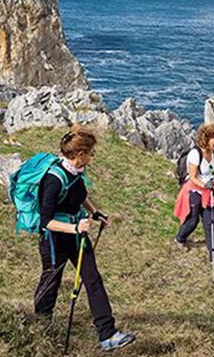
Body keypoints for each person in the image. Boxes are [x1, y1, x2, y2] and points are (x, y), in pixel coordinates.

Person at [33, 126, 135, 352]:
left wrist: (95, 212)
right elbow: (45, 221)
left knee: (93, 279)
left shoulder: (77, 172)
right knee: (51, 281)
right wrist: (74, 227)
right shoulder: (54, 179)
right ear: (79, 154)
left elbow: (79, 194)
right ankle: (40, 326)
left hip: (76, 233)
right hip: (54, 238)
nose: (92, 156)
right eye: (90, 152)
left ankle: (108, 334)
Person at [173, 123, 214, 265]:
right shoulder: (195, 154)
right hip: (194, 191)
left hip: (208, 193)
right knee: (192, 221)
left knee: (210, 222)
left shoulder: (212, 152)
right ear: (207, 138)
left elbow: (213, 169)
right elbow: (192, 177)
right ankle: (180, 239)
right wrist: (204, 185)